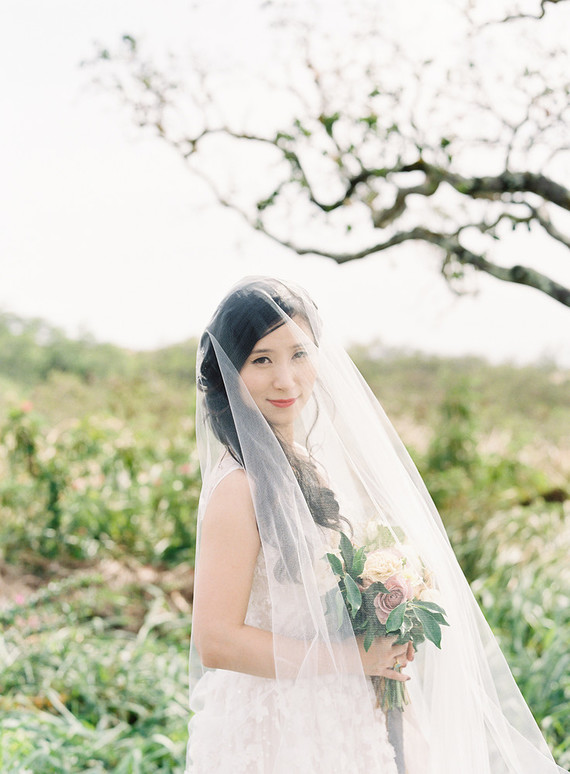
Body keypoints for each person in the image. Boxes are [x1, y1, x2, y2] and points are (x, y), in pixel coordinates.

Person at [185, 277, 566, 774]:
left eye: (299, 354)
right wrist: (353, 656)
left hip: (340, 708)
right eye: (262, 359)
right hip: (276, 725)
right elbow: (216, 641)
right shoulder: (239, 488)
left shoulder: (305, 464)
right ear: (229, 373)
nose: (286, 379)